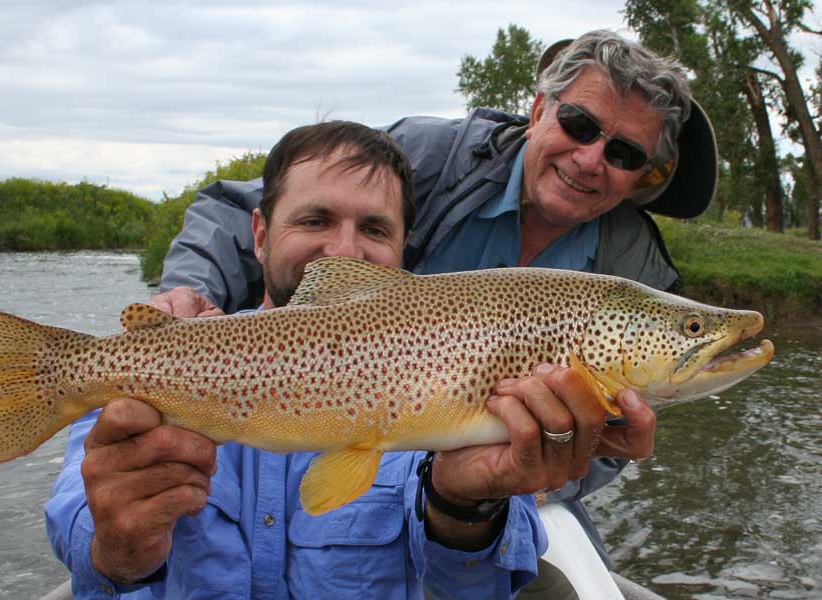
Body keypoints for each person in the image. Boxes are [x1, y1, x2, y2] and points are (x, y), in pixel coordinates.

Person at [154, 28, 718, 588]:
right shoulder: (429, 155)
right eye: (579, 125)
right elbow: (259, 207)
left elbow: (615, 435)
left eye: (623, 153)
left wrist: (536, 471)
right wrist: (186, 298)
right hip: (348, 400)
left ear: (642, 173)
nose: (591, 158)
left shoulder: (638, 271)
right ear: (539, 108)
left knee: (552, 571)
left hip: (487, 478)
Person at [46, 120, 621, 599]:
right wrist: (117, 548)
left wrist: (465, 505)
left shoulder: (464, 372)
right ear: (261, 233)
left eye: (374, 228)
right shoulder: (166, 358)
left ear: (401, 250)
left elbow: (474, 588)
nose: (343, 249)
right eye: (315, 220)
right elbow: (85, 551)